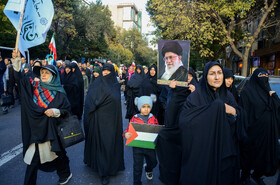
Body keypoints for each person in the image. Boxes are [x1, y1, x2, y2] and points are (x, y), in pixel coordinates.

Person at [176, 61, 246, 185]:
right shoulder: (195, 97)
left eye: (219, 73)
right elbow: (185, 122)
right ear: (205, 76)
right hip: (203, 153)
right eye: (212, 74)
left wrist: (232, 110)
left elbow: (240, 116)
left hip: (225, 152)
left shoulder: (228, 96)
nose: (217, 77)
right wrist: (214, 111)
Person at [16, 62, 72, 185]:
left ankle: (65, 173)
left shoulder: (60, 93)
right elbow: (21, 81)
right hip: (36, 132)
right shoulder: (34, 89)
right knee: (33, 160)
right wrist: (16, 63)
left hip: (52, 131)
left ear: (53, 76)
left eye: (47, 73)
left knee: (58, 154)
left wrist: (55, 111)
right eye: (42, 73)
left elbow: (67, 111)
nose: (44, 75)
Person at [84, 63, 124, 185]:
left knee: (111, 144)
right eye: (104, 71)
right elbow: (90, 100)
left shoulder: (115, 85)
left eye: (108, 71)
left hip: (112, 121)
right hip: (99, 120)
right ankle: (103, 172)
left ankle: (112, 167)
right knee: (102, 145)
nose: (106, 74)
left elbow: (117, 101)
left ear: (112, 72)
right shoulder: (96, 83)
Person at [239, 68, 280, 185]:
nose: (264, 79)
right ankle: (245, 177)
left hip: (267, 133)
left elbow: (277, 109)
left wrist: (274, 96)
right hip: (252, 132)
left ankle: (257, 175)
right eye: (261, 76)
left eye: (266, 76)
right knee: (249, 156)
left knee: (266, 158)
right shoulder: (247, 92)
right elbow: (244, 112)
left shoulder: (269, 92)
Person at [124, 95, 158, 185]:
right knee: (137, 167)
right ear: (139, 107)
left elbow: (156, 130)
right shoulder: (134, 118)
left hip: (150, 147)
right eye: (143, 107)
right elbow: (128, 130)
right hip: (137, 147)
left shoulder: (153, 117)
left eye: (148, 107)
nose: (146, 109)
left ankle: (148, 168)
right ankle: (137, 182)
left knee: (153, 162)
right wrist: (125, 134)